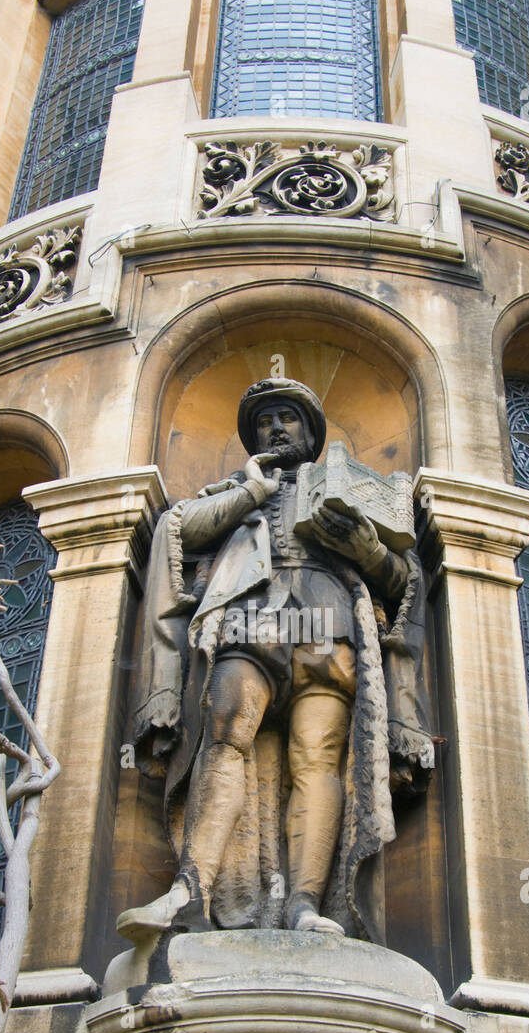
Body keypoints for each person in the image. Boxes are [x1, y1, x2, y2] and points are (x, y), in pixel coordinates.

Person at [118, 378, 434, 944]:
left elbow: (402, 579)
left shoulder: (351, 493)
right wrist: (250, 494)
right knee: (226, 733)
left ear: (310, 434)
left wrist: (366, 549)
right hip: (253, 616)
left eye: (288, 418)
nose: (276, 428)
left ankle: (306, 904)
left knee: (318, 759)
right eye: (266, 421)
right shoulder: (233, 490)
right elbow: (179, 529)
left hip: (329, 622)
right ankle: (192, 889)